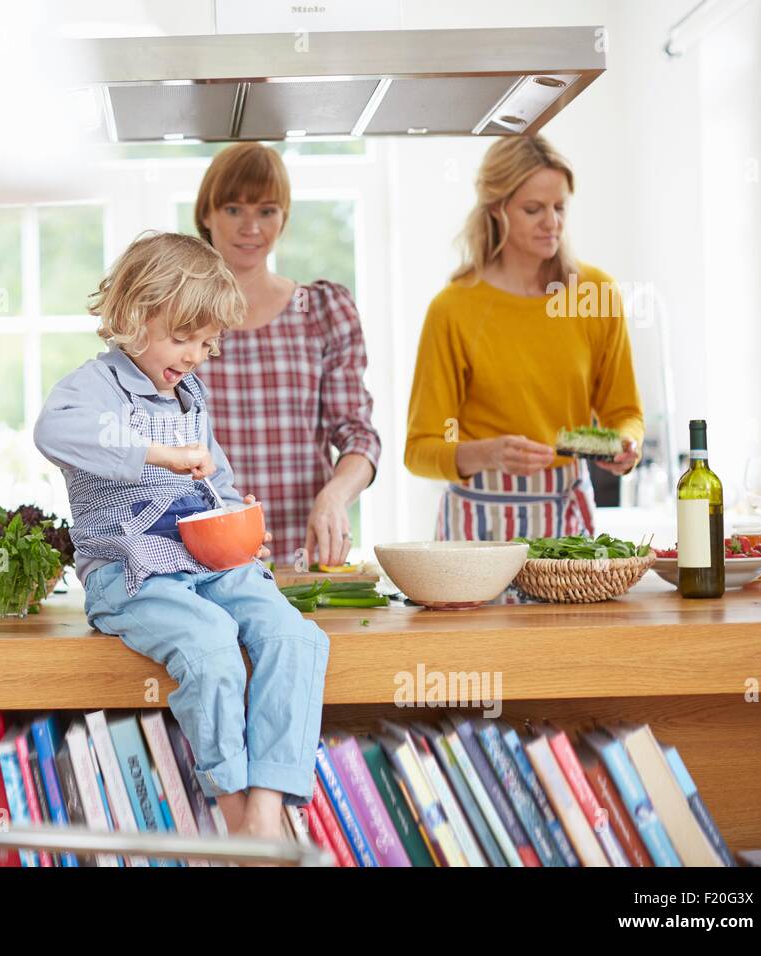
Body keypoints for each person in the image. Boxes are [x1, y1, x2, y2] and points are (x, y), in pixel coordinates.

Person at [34, 231, 330, 843]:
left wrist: (240, 529)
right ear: (132, 314)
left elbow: (216, 482)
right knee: (211, 644)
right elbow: (52, 433)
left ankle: (267, 807)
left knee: (295, 636)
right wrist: (158, 453)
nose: (195, 355)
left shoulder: (190, 396)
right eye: (181, 337)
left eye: (207, 342)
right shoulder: (94, 388)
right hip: (132, 573)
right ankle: (236, 812)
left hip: (207, 563)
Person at [404, 134, 644, 540]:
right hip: (477, 527)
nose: (552, 223)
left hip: (567, 522)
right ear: (496, 210)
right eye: (533, 209)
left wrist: (624, 445)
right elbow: (420, 450)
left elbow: (625, 413)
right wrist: (488, 453)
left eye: (559, 207)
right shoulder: (453, 308)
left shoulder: (595, 293)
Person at [192, 142, 381, 568]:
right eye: (234, 209)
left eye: (267, 211)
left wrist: (335, 496)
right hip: (203, 558)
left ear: (284, 218)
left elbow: (359, 436)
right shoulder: (178, 319)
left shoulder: (322, 311)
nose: (251, 227)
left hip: (303, 559)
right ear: (206, 214)